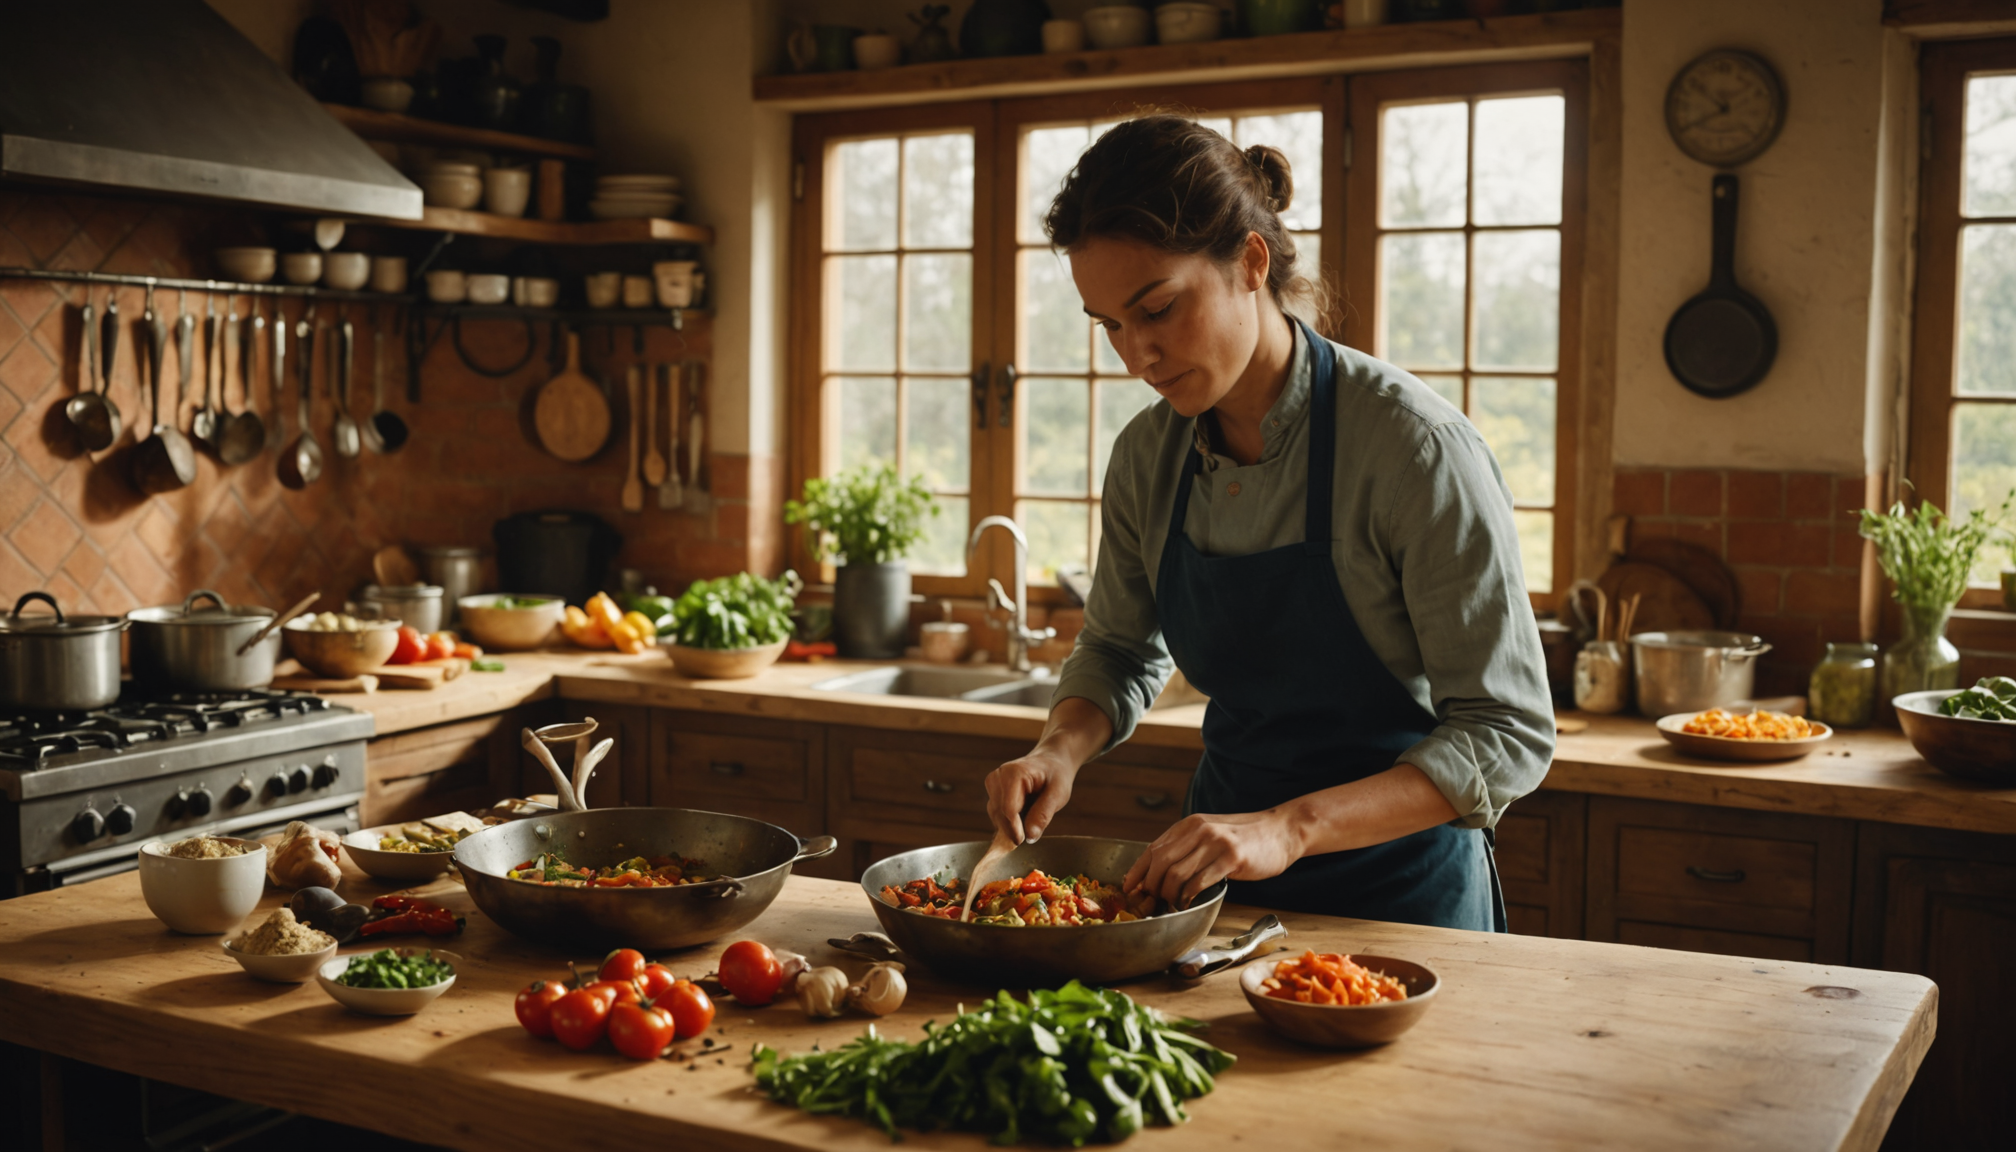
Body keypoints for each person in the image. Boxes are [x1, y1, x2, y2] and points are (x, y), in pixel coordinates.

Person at [980, 115, 1554, 932]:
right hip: (1217, 890)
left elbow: (1507, 732)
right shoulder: (1149, 456)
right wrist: (1057, 750)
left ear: (1251, 262)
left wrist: (1288, 828)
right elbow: (1117, 649)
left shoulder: (1413, 448)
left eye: (1158, 308)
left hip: (1401, 905)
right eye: (1109, 324)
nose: (1135, 354)